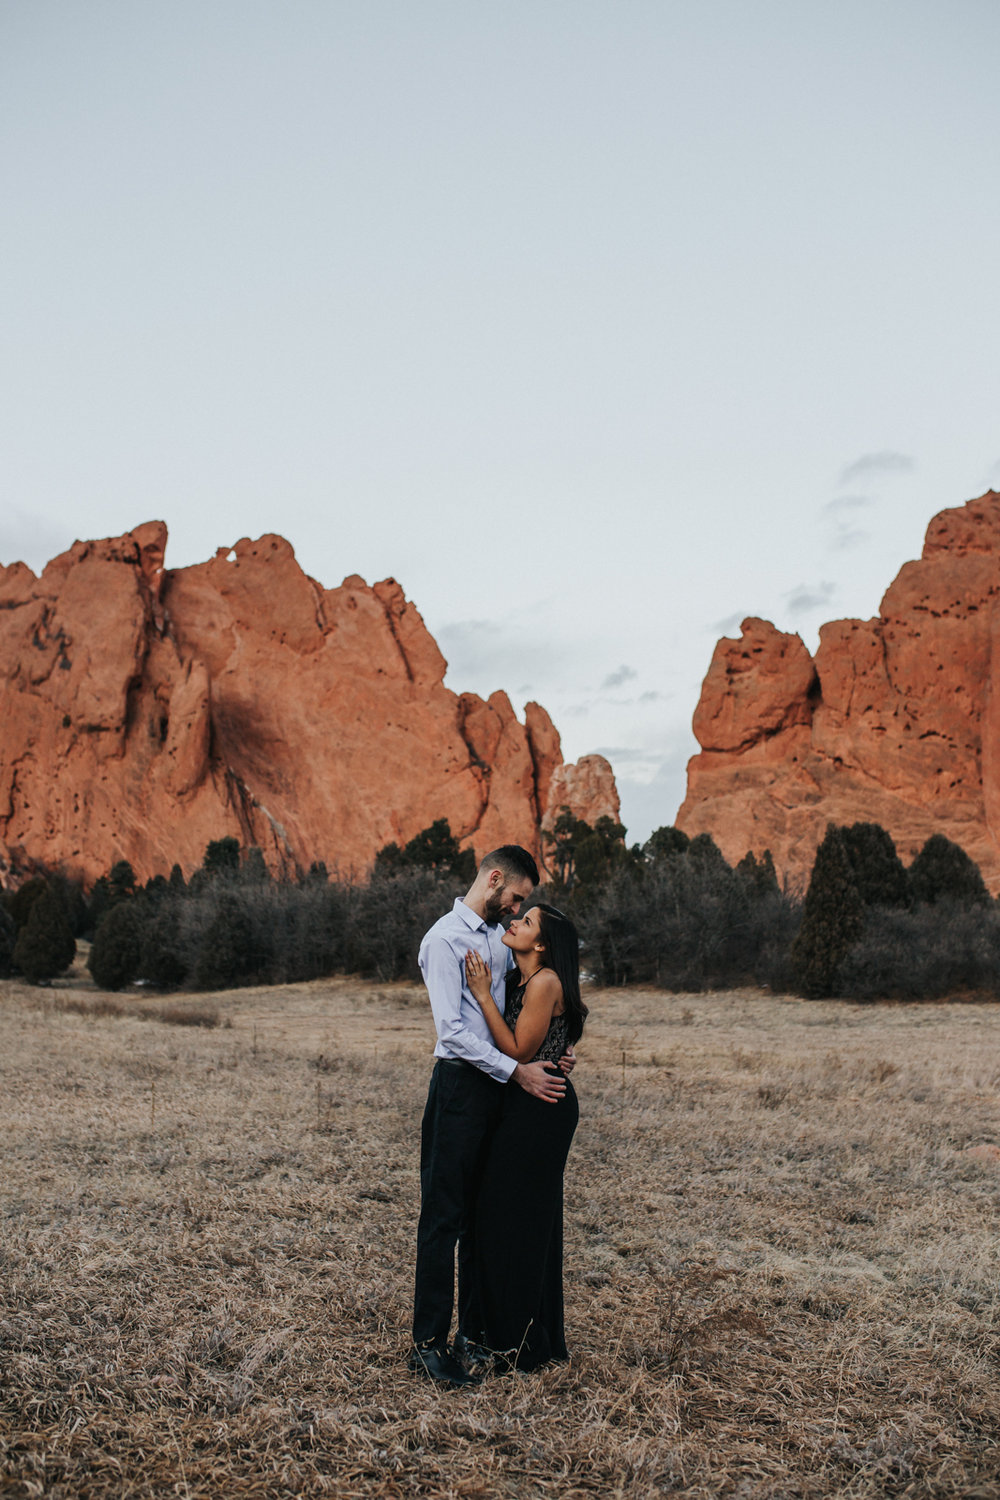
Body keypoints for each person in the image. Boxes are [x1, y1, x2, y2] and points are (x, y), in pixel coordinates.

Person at [409, 846, 576, 1388]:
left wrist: (553, 1049)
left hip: (503, 1097)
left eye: (522, 905)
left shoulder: (501, 946)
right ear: (495, 879)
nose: (516, 909)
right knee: (443, 1217)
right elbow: (452, 1032)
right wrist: (516, 1071)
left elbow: (522, 1007)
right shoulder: (442, 940)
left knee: (482, 1217)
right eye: (517, 898)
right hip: (461, 1088)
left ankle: (475, 1334)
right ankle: (428, 1345)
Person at [463, 902, 586, 1371]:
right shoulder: (520, 980)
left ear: (540, 945)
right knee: (499, 1216)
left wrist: (481, 996)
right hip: (522, 1103)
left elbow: (515, 1049)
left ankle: (523, 1343)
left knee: (522, 1221)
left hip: (542, 1110)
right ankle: (505, 1333)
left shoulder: (545, 981)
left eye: (526, 922)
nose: (513, 923)